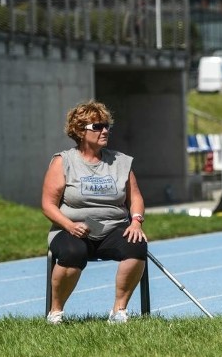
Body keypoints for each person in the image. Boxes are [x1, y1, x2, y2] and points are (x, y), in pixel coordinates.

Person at [41, 100, 148, 324]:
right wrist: (69, 225)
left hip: (112, 228)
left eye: (106, 125)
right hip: (72, 229)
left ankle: (119, 311)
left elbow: (135, 197)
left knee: (136, 245)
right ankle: (56, 312)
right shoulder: (63, 162)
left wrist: (136, 222)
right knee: (73, 252)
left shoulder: (121, 161)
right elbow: (48, 205)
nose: (105, 131)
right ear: (80, 131)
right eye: (97, 127)